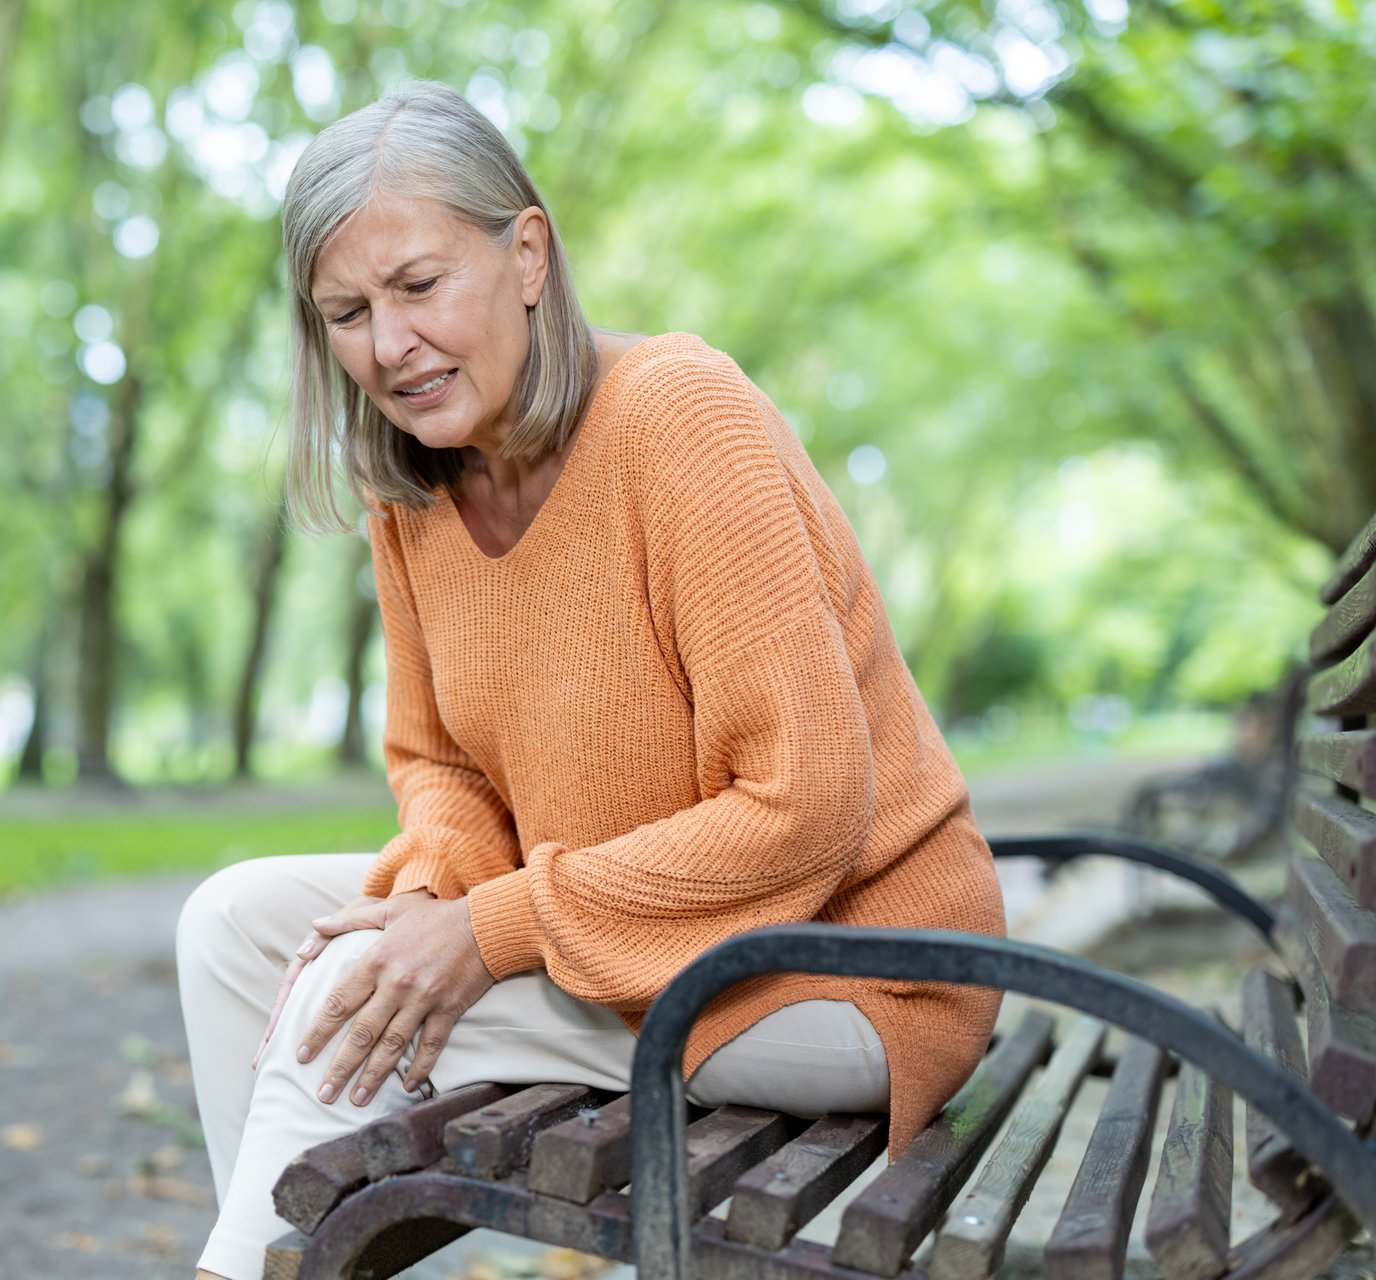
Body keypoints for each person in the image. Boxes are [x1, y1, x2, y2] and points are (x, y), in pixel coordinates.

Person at [176, 80, 1007, 1280]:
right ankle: (280, 1247)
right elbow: (437, 761)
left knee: (343, 998)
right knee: (232, 927)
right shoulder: (411, 488)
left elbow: (809, 801)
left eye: (418, 285)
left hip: (842, 966)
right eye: (346, 311)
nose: (390, 344)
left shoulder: (680, 417)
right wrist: (445, 896)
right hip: (633, 943)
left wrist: (487, 927)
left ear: (526, 252)